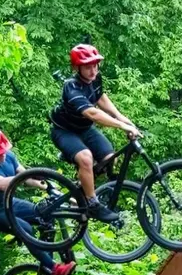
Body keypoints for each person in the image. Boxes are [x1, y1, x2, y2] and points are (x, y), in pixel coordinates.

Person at [50, 44, 139, 224]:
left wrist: (126, 121)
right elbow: (93, 113)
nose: (93, 71)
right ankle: (92, 204)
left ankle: (82, 189)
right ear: (77, 68)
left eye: (95, 66)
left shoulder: (96, 79)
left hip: (84, 130)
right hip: (64, 131)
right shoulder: (71, 87)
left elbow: (101, 99)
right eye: (88, 67)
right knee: (86, 158)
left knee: (110, 158)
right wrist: (122, 126)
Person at [0, 127, 75, 275]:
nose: (3, 155)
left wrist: (47, 186)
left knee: (45, 213)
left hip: (10, 202)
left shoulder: (8, 156)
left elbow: (25, 176)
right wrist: (29, 175)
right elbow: (3, 183)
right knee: (25, 229)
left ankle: (50, 260)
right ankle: (55, 269)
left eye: (4, 150)